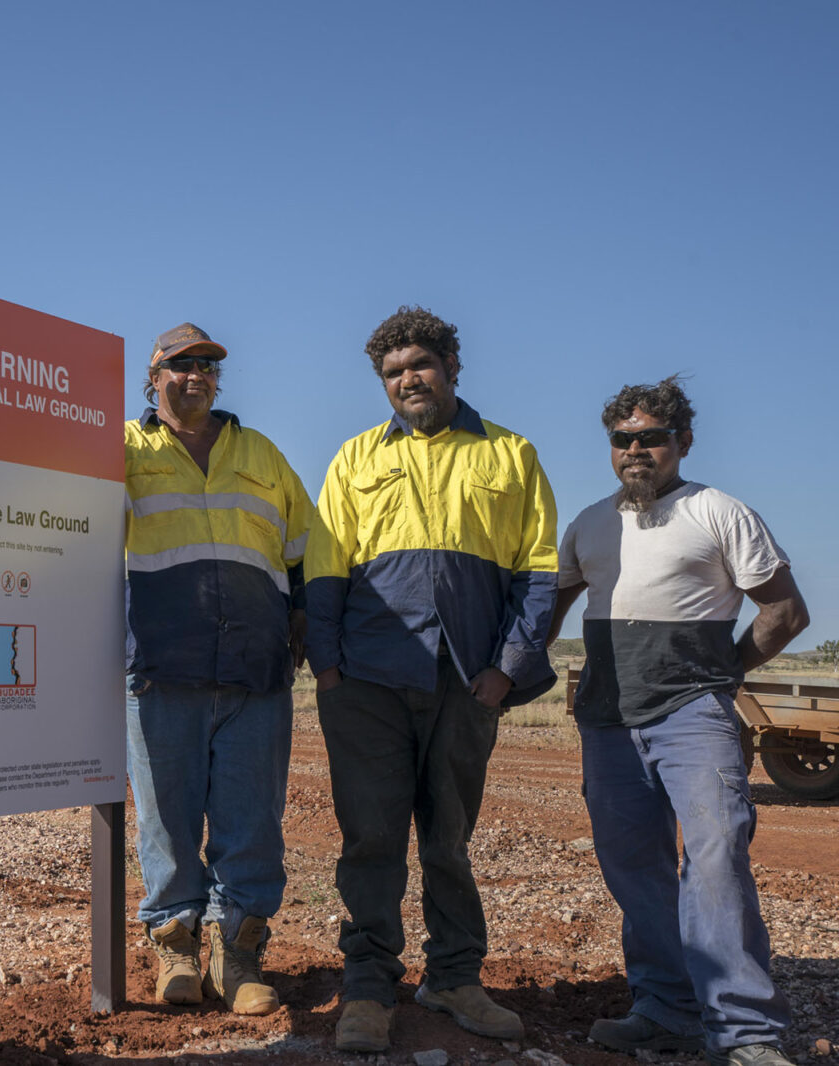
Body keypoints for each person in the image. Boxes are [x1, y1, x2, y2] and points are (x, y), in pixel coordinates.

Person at [303, 306, 557, 1052]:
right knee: (371, 839)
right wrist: (327, 668)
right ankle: (369, 988)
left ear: (451, 366)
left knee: (449, 840)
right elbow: (324, 572)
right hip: (368, 683)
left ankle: (453, 977)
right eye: (392, 372)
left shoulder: (511, 455)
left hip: (465, 684)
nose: (408, 380)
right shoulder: (354, 459)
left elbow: (537, 576)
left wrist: (505, 673)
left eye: (420, 364)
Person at [551, 377, 808, 1066]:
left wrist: (722, 673)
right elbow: (546, 610)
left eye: (651, 437)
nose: (636, 449)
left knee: (717, 854)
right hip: (606, 717)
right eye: (622, 440)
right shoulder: (589, 523)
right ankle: (665, 1008)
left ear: (681, 442)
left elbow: (785, 612)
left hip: (692, 711)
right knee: (635, 865)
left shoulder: (719, 511)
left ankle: (745, 1031)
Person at [123, 322, 314, 1016]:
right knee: (165, 820)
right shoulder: (119, 448)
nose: (195, 374)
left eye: (207, 365)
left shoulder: (261, 453)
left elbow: (304, 550)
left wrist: (302, 624)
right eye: (181, 365)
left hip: (254, 671)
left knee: (251, 821)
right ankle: (175, 949)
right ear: (154, 376)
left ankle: (239, 957)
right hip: (159, 667)